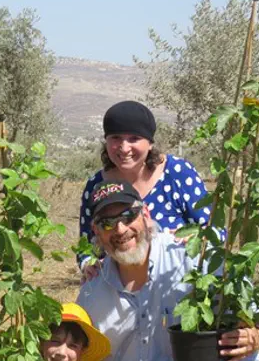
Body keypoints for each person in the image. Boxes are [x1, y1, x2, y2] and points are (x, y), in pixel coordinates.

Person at [76, 179, 259, 361]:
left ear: (145, 214)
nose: (120, 229)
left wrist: (256, 336)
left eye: (128, 215)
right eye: (106, 223)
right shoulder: (92, 292)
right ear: (96, 231)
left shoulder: (193, 258)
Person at [78, 101, 211, 282]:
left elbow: (215, 231)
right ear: (106, 141)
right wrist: (88, 264)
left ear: (150, 143)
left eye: (134, 138)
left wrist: (195, 237)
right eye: (116, 138)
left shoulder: (178, 174)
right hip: (121, 294)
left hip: (180, 286)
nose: (124, 148)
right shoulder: (96, 186)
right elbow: (86, 245)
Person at [41, 303, 111, 361]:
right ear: (42, 342)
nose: (61, 352)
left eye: (72, 346)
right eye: (56, 341)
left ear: (81, 351)